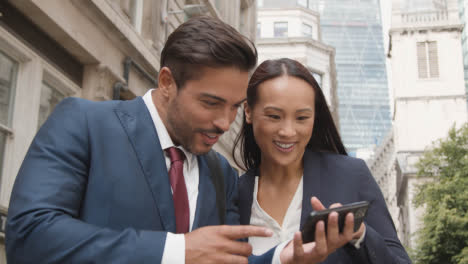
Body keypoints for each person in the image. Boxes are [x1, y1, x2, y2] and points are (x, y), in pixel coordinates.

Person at [6, 16, 280, 264]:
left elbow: (228, 259)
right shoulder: (84, 123)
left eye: (235, 106)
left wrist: (282, 257)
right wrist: (176, 251)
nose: (224, 122)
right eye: (211, 103)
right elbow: (31, 236)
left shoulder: (222, 174)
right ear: (166, 82)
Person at [234, 58, 412, 263]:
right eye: (274, 116)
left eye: (301, 118)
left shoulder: (351, 175)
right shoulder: (233, 193)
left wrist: (359, 234)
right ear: (248, 111)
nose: (288, 131)